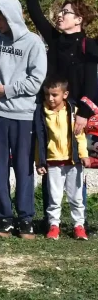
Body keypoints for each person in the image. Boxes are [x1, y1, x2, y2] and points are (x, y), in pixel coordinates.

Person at [0, 0, 47, 240]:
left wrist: (7, 90)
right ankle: (4, 218)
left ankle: (26, 218)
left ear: (12, 17)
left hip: (23, 114)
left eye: (0, 20)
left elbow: (35, 81)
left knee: (24, 168)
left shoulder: (33, 43)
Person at [26, 0, 97, 134]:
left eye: (66, 12)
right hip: (49, 111)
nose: (59, 15)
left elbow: (92, 83)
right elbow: (35, 12)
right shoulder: (55, 39)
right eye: (60, 11)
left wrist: (84, 112)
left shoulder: (89, 46)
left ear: (79, 19)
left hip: (78, 116)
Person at [34, 76, 89, 241]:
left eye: (54, 95)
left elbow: (79, 135)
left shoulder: (73, 111)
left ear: (65, 95)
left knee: (76, 196)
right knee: (54, 197)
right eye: (47, 95)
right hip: (53, 162)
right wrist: (39, 161)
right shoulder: (42, 112)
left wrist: (84, 155)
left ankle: (78, 226)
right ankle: (54, 226)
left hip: (73, 161)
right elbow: (39, 139)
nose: (50, 99)